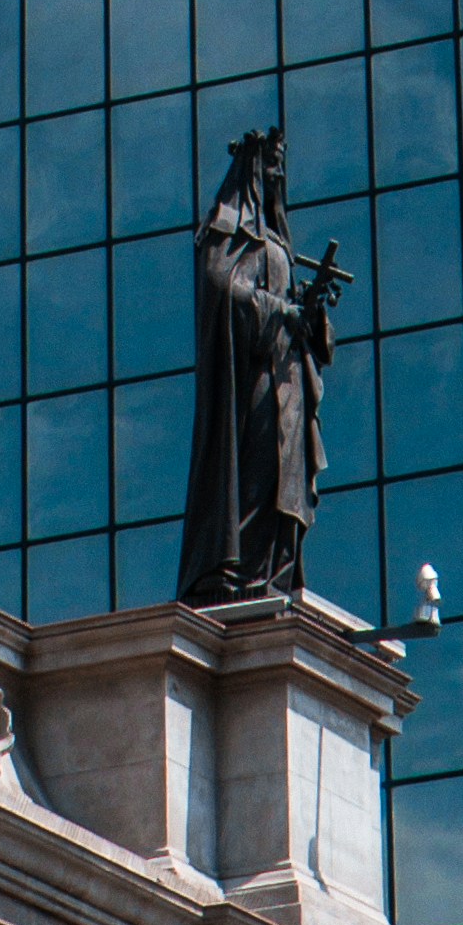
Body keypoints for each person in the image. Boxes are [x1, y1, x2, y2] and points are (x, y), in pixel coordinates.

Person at [176, 120, 347, 604]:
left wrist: (311, 316)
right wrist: (280, 310)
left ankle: (274, 579)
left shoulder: (278, 242)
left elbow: (298, 317)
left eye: (281, 170)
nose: (276, 176)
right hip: (257, 382)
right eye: (269, 167)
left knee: (287, 492)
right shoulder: (228, 226)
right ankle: (246, 580)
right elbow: (222, 288)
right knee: (255, 479)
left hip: (290, 380)